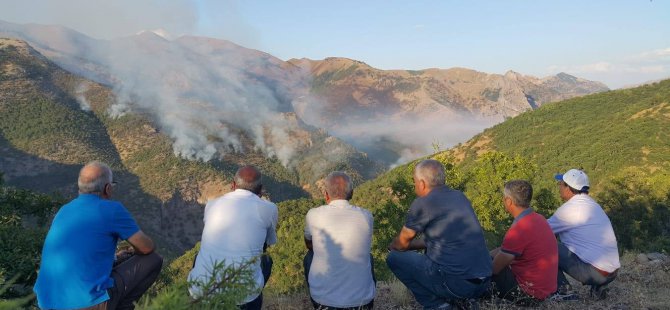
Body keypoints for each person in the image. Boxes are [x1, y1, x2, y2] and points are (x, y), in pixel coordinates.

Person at [34, 161, 163, 310]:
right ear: (108, 188)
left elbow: (83, 254)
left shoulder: (64, 210)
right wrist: (134, 251)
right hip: (86, 303)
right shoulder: (111, 209)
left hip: (47, 302)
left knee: (119, 260)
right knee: (153, 260)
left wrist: (118, 257)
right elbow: (146, 248)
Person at [386, 159, 492, 310]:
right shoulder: (459, 196)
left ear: (421, 183)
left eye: (414, 181)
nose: (415, 185)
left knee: (394, 258)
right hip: (484, 281)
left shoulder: (423, 203)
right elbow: (435, 241)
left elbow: (401, 244)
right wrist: (411, 246)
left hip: (458, 285)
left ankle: (437, 305)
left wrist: (394, 246)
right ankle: (463, 300)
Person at [188, 165, 278, 309]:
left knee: (198, 255)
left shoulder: (211, 204)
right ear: (261, 189)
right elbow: (267, 244)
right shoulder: (269, 208)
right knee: (266, 260)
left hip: (200, 292)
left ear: (233, 185)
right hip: (242, 298)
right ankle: (254, 295)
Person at [303, 171, 376, 309]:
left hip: (323, 302)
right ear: (352, 193)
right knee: (369, 257)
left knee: (309, 257)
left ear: (326, 195)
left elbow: (308, 244)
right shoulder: (367, 216)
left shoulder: (313, 214)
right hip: (362, 302)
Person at [548, 169, 620, 299]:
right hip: (611, 272)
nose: (559, 186)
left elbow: (541, 231)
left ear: (568, 189)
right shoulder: (593, 205)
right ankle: (599, 287)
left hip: (595, 272)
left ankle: (564, 292)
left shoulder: (569, 209)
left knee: (546, 246)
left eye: (561, 184)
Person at [490, 180, 558, 305]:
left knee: (486, 268)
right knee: (490, 257)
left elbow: (495, 268)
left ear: (509, 201)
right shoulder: (539, 218)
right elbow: (506, 249)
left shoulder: (519, 229)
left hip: (528, 294)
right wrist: (488, 254)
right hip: (546, 291)